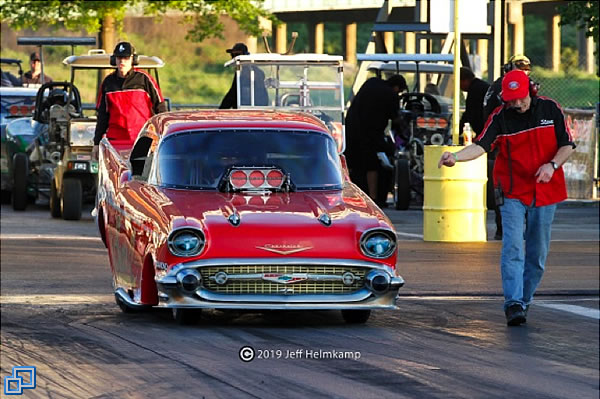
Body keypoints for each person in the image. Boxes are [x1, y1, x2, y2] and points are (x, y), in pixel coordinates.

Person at [438, 69, 575, 326]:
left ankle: (523, 300)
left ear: (531, 92)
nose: (517, 104)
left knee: (537, 254)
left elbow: (567, 144)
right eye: (511, 99)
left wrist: (552, 166)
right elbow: (480, 145)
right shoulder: (500, 117)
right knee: (512, 246)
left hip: (546, 189)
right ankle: (512, 303)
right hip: (512, 191)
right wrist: (454, 157)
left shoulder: (551, 110)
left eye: (521, 98)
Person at [93, 42, 167, 158]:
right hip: (116, 141)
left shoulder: (144, 79)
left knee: (141, 173)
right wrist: (96, 143)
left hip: (143, 138)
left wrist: (163, 137)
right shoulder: (108, 83)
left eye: (126, 58)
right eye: (119, 58)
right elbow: (102, 116)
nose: (122, 61)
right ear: (114, 60)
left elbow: (160, 108)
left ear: (133, 59)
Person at [345, 75, 407, 204]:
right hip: (370, 132)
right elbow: (395, 119)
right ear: (396, 87)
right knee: (372, 165)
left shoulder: (371, 82)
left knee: (350, 163)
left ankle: (348, 196)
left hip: (351, 127)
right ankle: (374, 198)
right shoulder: (391, 95)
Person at [483, 54, 531, 121]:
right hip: (500, 123)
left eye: (526, 69)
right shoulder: (503, 84)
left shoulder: (500, 82)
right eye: (521, 69)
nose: (524, 71)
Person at [219, 43, 268, 109]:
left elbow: (232, 93)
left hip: (249, 109)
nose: (233, 57)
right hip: (255, 108)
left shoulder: (245, 71)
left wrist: (222, 110)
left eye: (236, 55)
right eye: (232, 55)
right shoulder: (251, 70)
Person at [459, 67, 490, 137]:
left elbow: (469, 112)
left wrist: (458, 131)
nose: (459, 86)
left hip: (484, 130)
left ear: (465, 80)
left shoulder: (474, 90)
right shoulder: (481, 86)